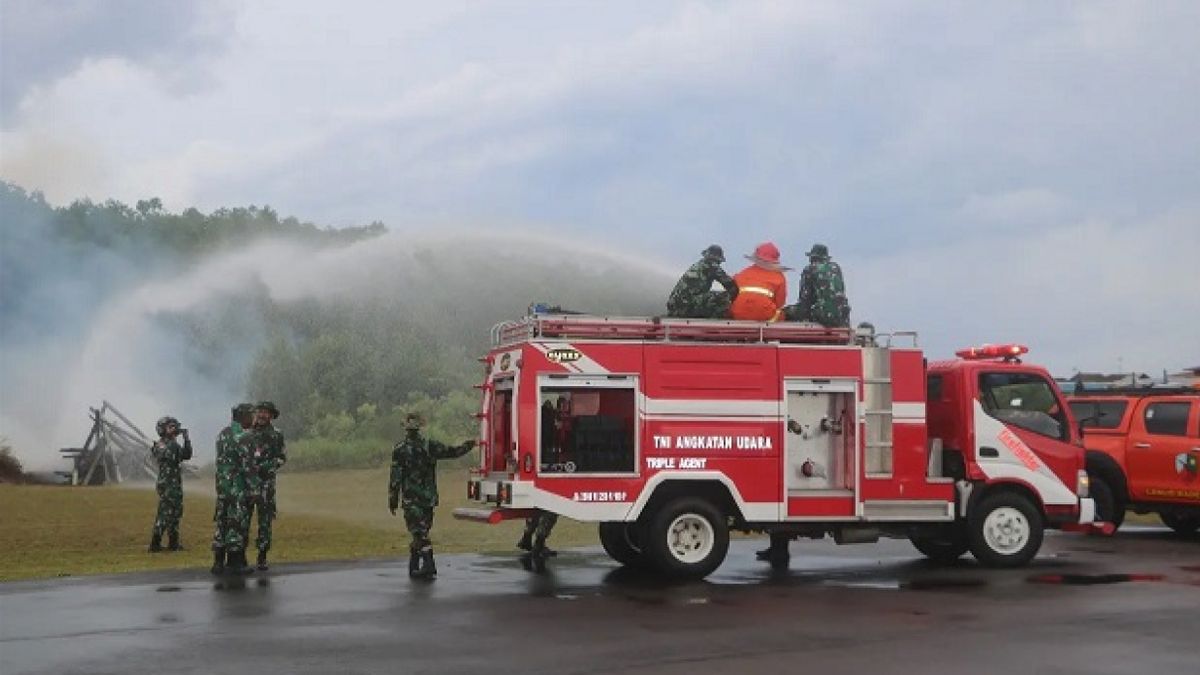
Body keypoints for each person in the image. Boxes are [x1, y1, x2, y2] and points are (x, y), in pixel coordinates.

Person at [388, 413, 476, 579]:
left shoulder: (400, 450)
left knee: (419, 532)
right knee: (421, 531)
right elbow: (453, 452)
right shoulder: (430, 446)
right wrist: (469, 445)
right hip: (428, 498)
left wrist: (392, 499)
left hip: (412, 499)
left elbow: (395, 478)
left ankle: (428, 565)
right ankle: (415, 563)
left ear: (406, 429)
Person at [211, 403, 256, 575]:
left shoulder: (223, 433)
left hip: (222, 486)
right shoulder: (245, 437)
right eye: (251, 415)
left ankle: (218, 562)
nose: (253, 419)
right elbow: (248, 467)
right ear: (244, 416)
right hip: (237, 486)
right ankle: (235, 563)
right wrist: (254, 490)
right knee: (236, 523)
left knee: (221, 522)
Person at [248, 401, 287, 571]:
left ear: (271, 415)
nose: (262, 415)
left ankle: (262, 556)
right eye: (260, 412)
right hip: (247, 484)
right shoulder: (247, 432)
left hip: (266, 485)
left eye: (265, 412)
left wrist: (267, 466)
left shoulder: (276, 435)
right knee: (242, 519)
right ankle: (238, 556)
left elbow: (282, 457)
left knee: (265, 521)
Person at [148, 416, 192, 552]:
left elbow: (186, 455)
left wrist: (186, 439)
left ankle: (173, 543)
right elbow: (171, 456)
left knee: (176, 512)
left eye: (175, 426)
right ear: (162, 430)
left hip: (174, 482)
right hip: (167, 483)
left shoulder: (173, 443)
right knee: (165, 513)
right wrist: (174, 438)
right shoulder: (162, 444)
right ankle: (155, 544)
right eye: (171, 427)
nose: (175, 429)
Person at [783, 243, 850, 327]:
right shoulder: (836, 268)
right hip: (842, 318)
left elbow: (805, 302)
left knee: (787, 313)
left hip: (822, 316)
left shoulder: (810, 269)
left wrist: (787, 312)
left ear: (812, 258)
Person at [666, 245, 738, 318]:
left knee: (710, 296)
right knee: (723, 297)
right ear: (717, 259)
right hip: (686, 307)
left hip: (674, 307)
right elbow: (732, 287)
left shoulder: (698, 265)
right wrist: (731, 302)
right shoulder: (712, 266)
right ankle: (715, 321)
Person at [729, 242, 789, 321]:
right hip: (763, 314)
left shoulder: (743, 273)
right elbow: (780, 303)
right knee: (781, 314)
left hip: (737, 313)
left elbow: (731, 291)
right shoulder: (779, 277)